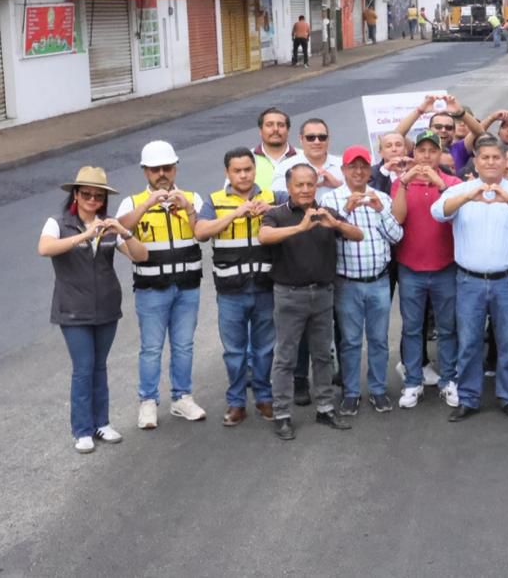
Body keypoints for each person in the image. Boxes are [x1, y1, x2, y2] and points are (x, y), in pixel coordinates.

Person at [432, 136, 508, 422]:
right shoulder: (461, 190)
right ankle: (468, 398)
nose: (491, 162)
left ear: (505, 162)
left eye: (496, 157)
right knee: (469, 341)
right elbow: (438, 212)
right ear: (476, 162)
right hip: (470, 281)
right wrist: (468, 196)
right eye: (485, 157)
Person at [39, 167, 146, 453]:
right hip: (73, 309)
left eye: (98, 196)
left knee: (100, 366)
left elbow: (141, 256)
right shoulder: (58, 223)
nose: (92, 200)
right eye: (86, 194)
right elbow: (45, 248)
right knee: (83, 368)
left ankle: (102, 423)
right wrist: (84, 235)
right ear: (75, 194)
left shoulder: (108, 226)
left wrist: (124, 232)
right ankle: (82, 429)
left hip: (107, 306)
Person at [258, 164, 360, 440]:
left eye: (310, 184)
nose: (305, 190)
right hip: (289, 294)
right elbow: (264, 236)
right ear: (289, 187)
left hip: (323, 294)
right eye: (299, 185)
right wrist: (300, 227)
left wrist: (336, 224)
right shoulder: (276, 214)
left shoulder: (326, 212)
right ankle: (281, 414)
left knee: (323, 354)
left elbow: (357, 234)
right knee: (285, 357)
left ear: (316, 186)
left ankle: (325, 408)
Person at [116, 140, 207, 430]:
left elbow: (203, 233)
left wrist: (187, 208)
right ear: (145, 171)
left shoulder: (192, 197)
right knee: (151, 348)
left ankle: (182, 397)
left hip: (187, 285)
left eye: (167, 168)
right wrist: (147, 204)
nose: (162, 174)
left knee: (184, 345)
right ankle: (148, 401)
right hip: (151, 288)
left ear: (175, 168)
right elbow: (119, 231)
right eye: (155, 170)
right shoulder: (132, 202)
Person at [194, 148, 278, 427]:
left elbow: (298, 211)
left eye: (248, 169)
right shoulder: (215, 200)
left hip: (265, 286)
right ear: (227, 173)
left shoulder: (272, 196)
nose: (243, 175)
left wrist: (272, 210)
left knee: (265, 348)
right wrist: (235, 214)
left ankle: (264, 398)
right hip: (231, 291)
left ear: (255, 170)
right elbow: (201, 232)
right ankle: (236, 402)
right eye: (237, 170)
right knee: (234, 351)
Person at [324, 146, 403, 415]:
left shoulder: (382, 198)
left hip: (379, 281)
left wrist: (380, 210)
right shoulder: (331, 200)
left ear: (370, 170)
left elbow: (397, 237)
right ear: (343, 170)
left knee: (379, 339)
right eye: (352, 166)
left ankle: (378, 390)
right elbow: (326, 239)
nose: (358, 172)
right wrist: (345, 212)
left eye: (363, 166)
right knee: (350, 341)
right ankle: (351, 392)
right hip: (346, 282)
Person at [391, 129, 462, 409]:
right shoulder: (401, 183)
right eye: (422, 151)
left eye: (433, 151)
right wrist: (404, 183)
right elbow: (397, 218)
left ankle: (449, 379)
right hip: (411, 267)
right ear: (414, 153)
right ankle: (413, 381)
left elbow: (457, 216)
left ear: (440, 154)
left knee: (447, 327)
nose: (427, 156)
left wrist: (441, 185)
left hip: (445, 266)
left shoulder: (452, 182)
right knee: (412, 328)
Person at [271, 118, 342, 201]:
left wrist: (339, 185)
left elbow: (355, 197)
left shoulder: (343, 165)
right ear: (301, 139)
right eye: (310, 138)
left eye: (322, 137)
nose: (317, 142)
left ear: (328, 139)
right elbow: (277, 200)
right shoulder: (285, 167)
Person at [253, 107, 296, 193]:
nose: (276, 129)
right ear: (260, 131)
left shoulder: (303, 157)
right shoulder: (247, 158)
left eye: (281, 125)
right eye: (269, 125)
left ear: (288, 130)